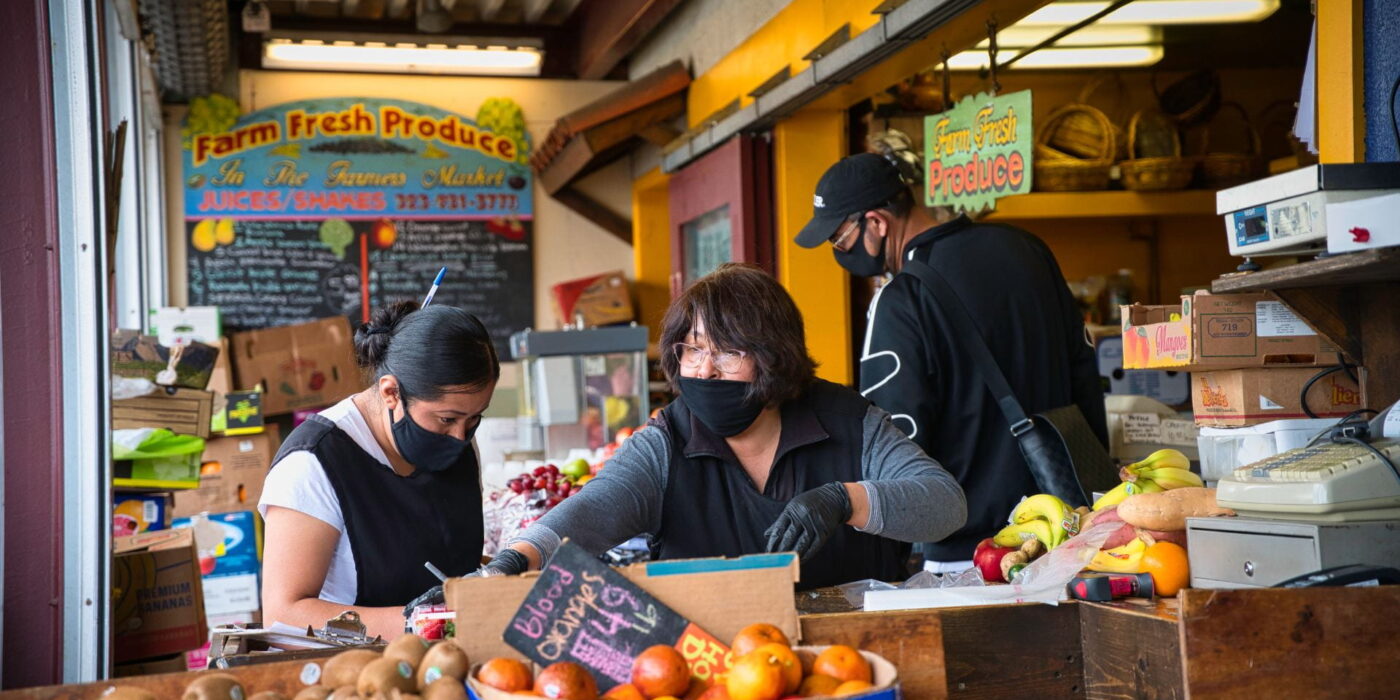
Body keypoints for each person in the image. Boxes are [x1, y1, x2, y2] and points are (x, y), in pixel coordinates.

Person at [468, 263, 966, 591]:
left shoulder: (850, 422)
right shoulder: (666, 443)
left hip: (854, 658)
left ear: (774, 356)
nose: (704, 370)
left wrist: (845, 500)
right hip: (711, 666)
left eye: (727, 352)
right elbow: (590, 511)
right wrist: (513, 561)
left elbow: (945, 506)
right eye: (692, 349)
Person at [794, 152, 1107, 569]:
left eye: (840, 239)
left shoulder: (901, 298)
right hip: (1066, 525)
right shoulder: (1027, 248)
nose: (840, 251)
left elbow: (898, 438)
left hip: (974, 551)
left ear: (876, 222)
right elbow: (1085, 371)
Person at [260, 301, 499, 639]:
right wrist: (427, 625)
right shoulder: (312, 464)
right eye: (447, 419)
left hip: (457, 659)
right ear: (391, 392)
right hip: (358, 673)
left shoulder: (455, 440)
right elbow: (284, 614)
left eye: (475, 418)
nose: (460, 436)